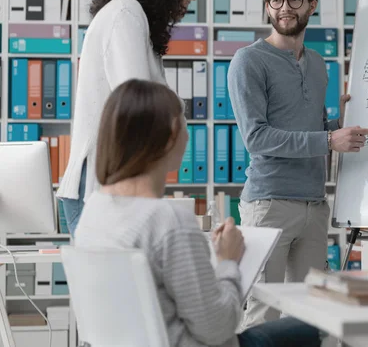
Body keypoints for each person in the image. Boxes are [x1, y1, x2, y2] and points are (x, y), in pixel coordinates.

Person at [75, 79, 322, 347]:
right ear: (172, 134)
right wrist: (229, 261)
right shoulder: (166, 220)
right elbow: (219, 329)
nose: (189, 136)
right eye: (184, 125)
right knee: (321, 327)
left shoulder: (93, 212)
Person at [227, 0, 368, 328]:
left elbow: (307, 130)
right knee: (262, 316)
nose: (284, 7)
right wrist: (328, 140)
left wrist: (338, 125)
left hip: (313, 206)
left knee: (309, 316)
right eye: (276, 0)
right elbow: (257, 138)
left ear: (311, 5)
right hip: (269, 205)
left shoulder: (317, 64)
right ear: (267, 7)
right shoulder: (248, 61)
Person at [56, 0, 197, 235]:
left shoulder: (134, 20)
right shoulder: (126, 12)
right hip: (98, 186)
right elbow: (141, 103)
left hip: (107, 183)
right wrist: (178, 108)